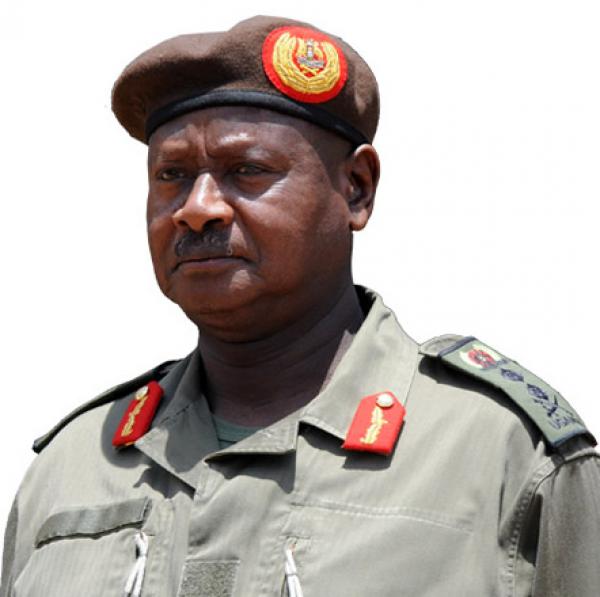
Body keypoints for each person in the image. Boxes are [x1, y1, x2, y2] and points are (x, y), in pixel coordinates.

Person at [1, 14, 599, 597]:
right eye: (172, 175)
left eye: (247, 170)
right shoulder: (76, 465)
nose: (197, 207)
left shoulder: (502, 456)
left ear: (356, 189)